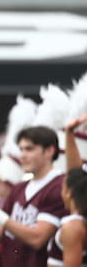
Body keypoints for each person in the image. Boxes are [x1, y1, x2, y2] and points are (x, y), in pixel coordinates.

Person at [0, 126, 69, 267]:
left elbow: (38, 238)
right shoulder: (19, 188)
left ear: (49, 151)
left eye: (29, 149)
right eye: (21, 149)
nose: (22, 155)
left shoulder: (59, 186)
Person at [47, 114, 87, 267]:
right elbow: (75, 175)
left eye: (62, 187)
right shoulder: (79, 222)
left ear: (69, 192)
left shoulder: (73, 227)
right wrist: (69, 134)